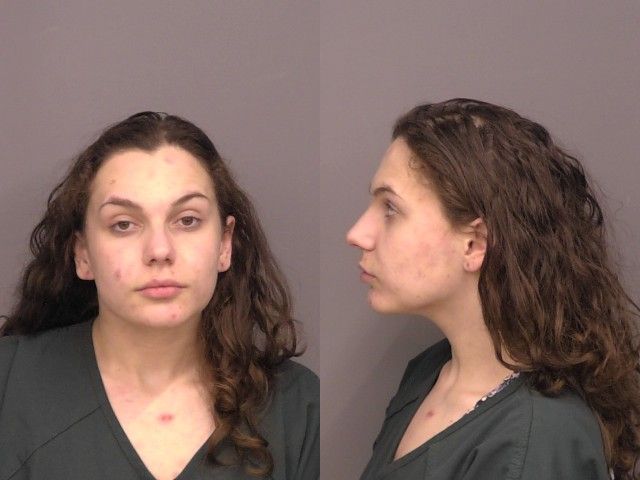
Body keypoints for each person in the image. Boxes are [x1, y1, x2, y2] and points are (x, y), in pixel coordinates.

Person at [0, 112, 319, 480]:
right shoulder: (9, 382)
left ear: (225, 244)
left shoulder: (298, 407)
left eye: (187, 220)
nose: (159, 250)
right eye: (123, 224)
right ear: (83, 253)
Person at [347, 98, 640, 479]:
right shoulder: (429, 371)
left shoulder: (537, 442)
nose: (357, 234)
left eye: (390, 209)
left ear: (474, 244)